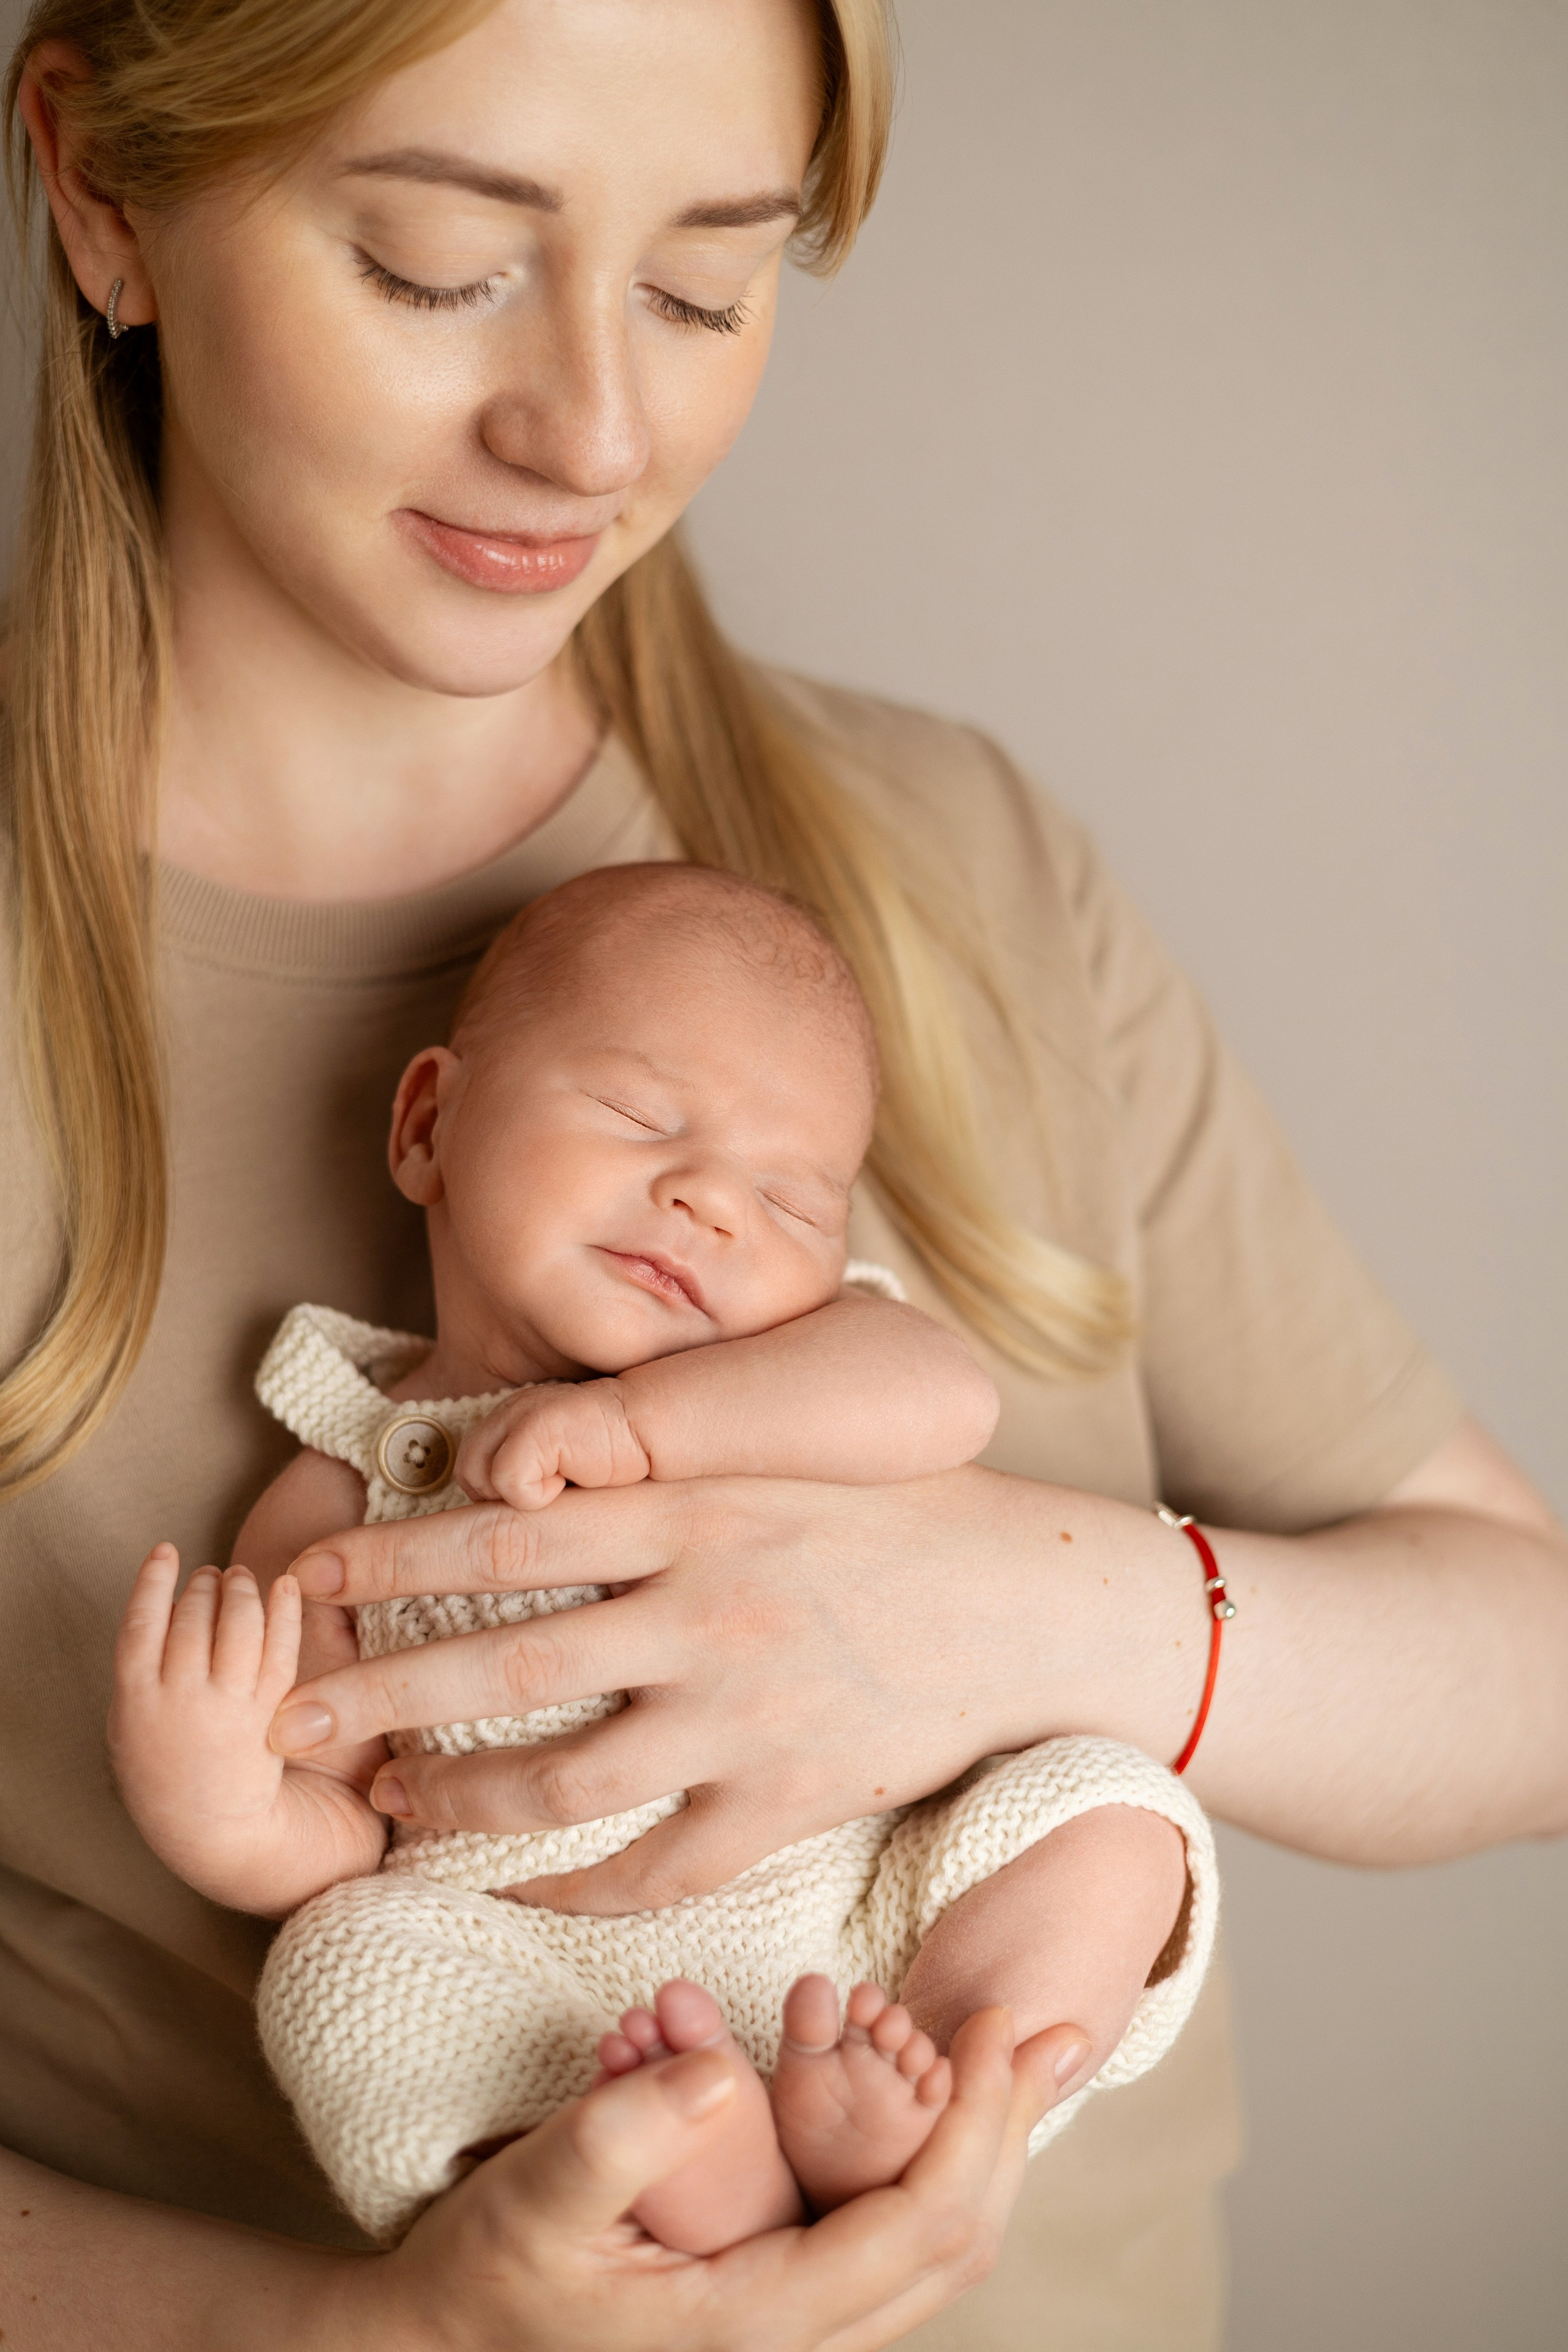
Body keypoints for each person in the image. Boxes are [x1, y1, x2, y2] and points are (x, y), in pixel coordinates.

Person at [1, 0, 1563, 2345]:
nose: (595, 433)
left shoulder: (953, 867)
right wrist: (364, 2333)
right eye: (436, 261)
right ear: (105, 191)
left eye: (710, 283)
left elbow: (1533, 1670)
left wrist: (1061, 1621)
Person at [109, 861, 1215, 2252]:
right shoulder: (345, 1489)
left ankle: (920, 2094)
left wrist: (633, 1428)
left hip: (855, 1925)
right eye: (641, 1119)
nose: (709, 1205)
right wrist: (213, 1800)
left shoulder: (796, 1377)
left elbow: (948, 1400)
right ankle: (638, 2185)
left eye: (791, 1202)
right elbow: (344, 1827)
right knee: (338, 1970)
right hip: (529, 1964)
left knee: (1112, 1811)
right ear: (429, 1124)